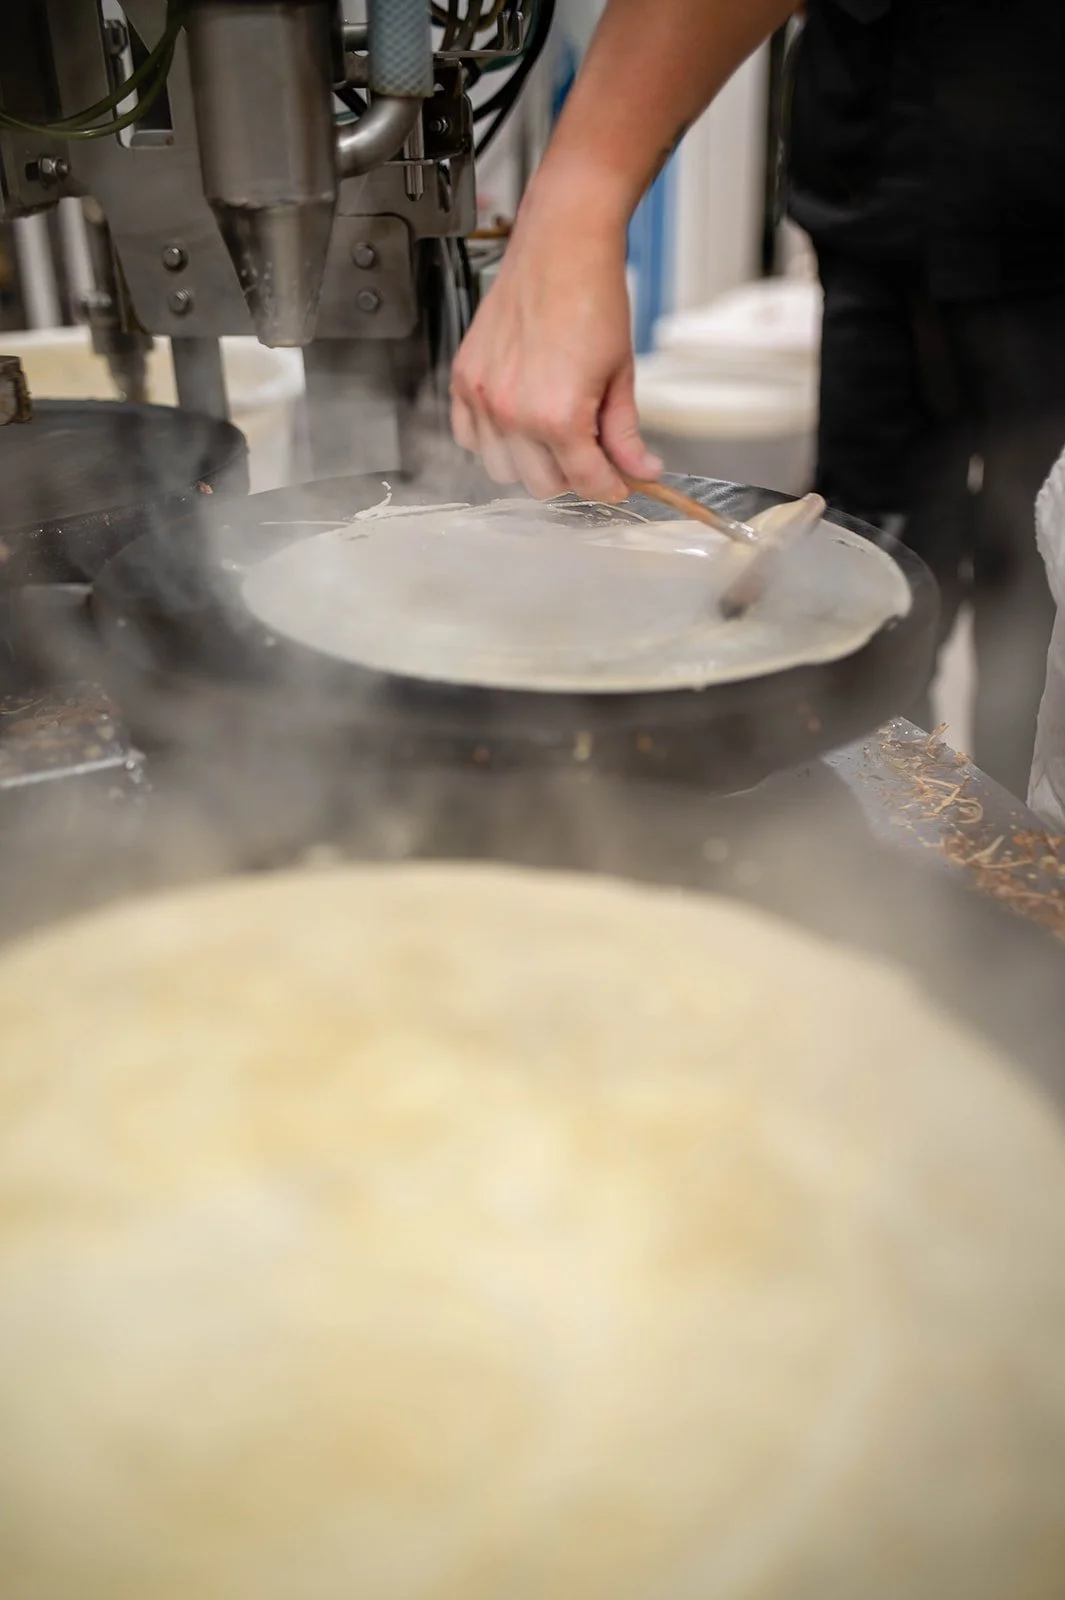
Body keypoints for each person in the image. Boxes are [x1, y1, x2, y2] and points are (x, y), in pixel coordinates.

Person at [451, 0, 1065, 798]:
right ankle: (881, 823)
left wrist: (574, 205)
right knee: (870, 569)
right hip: (874, 211)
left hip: (1043, 232)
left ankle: (1009, 850)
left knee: (1031, 583)